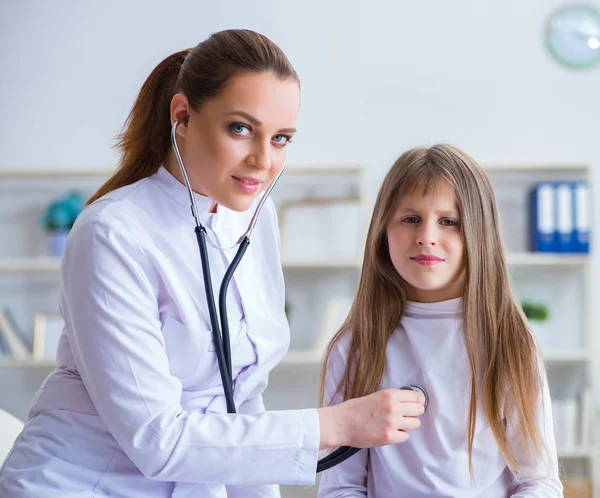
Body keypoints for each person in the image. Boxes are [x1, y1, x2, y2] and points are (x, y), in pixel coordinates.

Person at [0, 29, 426, 498]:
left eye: (281, 138)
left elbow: (238, 397)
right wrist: (337, 424)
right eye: (241, 129)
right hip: (77, 485)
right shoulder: (112, 233)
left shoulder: (254, 222)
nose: (263, 160)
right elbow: (157, 440)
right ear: (182, 116)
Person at [317, 144, 563, 497]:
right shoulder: (356, 346)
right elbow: (341, 486)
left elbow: (539, 482)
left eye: (449, 222)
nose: (426, 237)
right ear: (383, 231)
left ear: (479, 235)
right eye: (410, 219)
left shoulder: (510, 343)